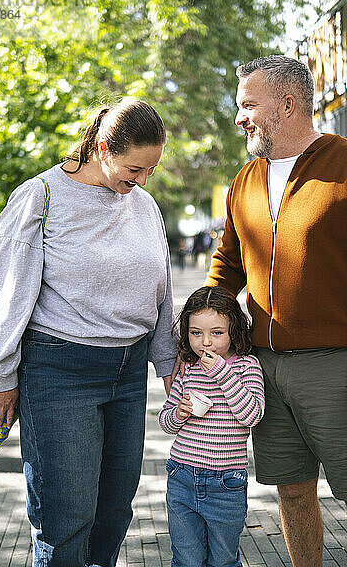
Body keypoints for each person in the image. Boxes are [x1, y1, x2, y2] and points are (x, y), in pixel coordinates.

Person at [0, 98, 178, 567]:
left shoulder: (143, 205)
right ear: (103, 148)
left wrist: (169, 368)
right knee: (66, 519)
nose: (143, 180)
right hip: (59, 373)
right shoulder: (41, 196)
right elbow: (6, 293)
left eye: (151, 169)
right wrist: (1, 375)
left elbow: (162, 288)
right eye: (135, 167)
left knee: (113, 513)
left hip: (128, 376)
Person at [204, 55, 347, 566]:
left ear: (287, 104)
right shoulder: (244, 179)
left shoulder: (343, 163)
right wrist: (199, 330)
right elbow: (227, 264)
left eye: (248, 104)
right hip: (261, 366)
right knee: (291, 491)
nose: (239, 116)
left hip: (336, 365)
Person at [159, 286, 264, 567]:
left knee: (223, 561)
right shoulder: (189, 368)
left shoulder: (246, 367)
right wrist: (178, 413)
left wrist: (221, 372)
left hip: (226, 484)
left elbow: (251, 415)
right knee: (186, 560)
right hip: (182, 476)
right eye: (196, 333)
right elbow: (166, 421)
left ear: (234, 331)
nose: (205, 342)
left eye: (217, 333)